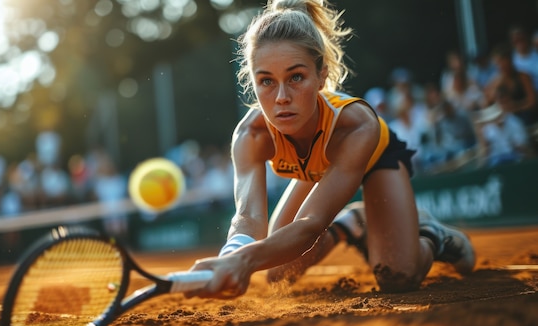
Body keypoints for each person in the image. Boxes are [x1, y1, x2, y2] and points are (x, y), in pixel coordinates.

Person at [186, 0, 475, 300]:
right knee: (278, 271)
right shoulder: (251, 134)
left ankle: (434, 236)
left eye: (296, 77)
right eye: (267, 81)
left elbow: (310, 225)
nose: (282, 97)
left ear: (321, 75)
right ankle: (349, 226)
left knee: (398, 277)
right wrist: (229, 255)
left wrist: (243, 261)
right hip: (320, 168)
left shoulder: (357, 124)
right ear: (252, 82)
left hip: (376, 161)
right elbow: (247, 218)